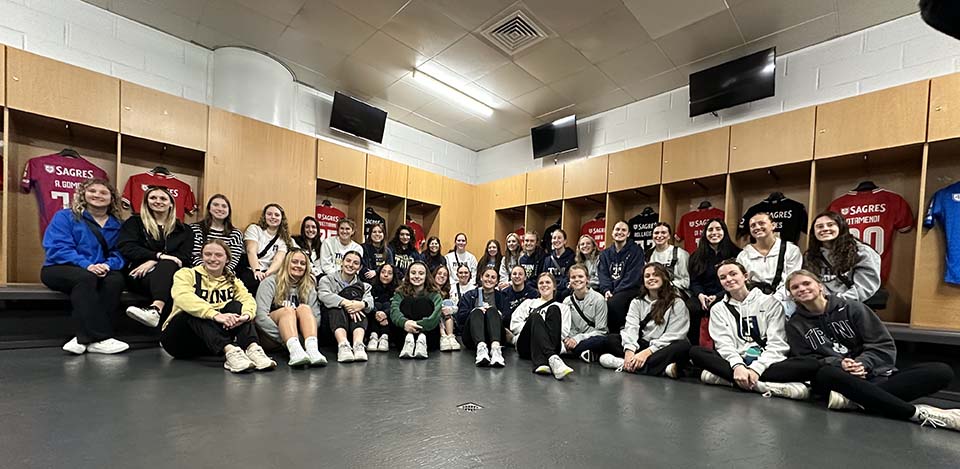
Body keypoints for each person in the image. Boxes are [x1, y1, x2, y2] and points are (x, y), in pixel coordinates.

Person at [785, 270, 960, 430]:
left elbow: (882, 344)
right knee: (825, 373)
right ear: (792, 296)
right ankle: (915, 413)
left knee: (941, 371)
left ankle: (855, 401)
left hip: (874, 377)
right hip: (839, 380)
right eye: (795, 287)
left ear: (820, 286)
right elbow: (807, 360)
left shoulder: (853, 308)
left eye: (807, 283)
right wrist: (840, 364)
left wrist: (862, 364)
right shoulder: (795, 324)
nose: (802, 288)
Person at [688, 260, 817, 400]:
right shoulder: (718, 309)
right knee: (696, 352)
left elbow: (778, 344)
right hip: (736, 362)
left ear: (745, 276)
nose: (729, 279)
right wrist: (738, 366)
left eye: (733, 274)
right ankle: (764, 386)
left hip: (767, 362)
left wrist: (756, 369)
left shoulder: (770, 303)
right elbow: (724, 345)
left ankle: (724, 379)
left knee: (810, 364)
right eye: (723, 277)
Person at [41, 178, 129, 355]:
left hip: (100, 269)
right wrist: (87, 265)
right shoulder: (66, 216)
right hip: (60, 268)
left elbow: (121, 252)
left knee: (116, 280)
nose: (97, 195)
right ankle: (101, 337)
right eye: (92, 191)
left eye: (104, 192)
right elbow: (58, 248)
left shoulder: (117, 225)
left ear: (112, 198)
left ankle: (82, 338)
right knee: (85, 278)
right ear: (83, 194)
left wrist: (106, 265)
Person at [160, 239, 277, 372]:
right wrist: (215, 315)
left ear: (227, 259)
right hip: (178, 341)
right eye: (208, 254)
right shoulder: (187, 274)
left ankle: (253, 348)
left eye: (218, 255)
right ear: (202, 256)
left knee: (236, 306)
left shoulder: (232, 280)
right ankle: (230, 351)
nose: (212, 259)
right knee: (191, 311)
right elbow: (183, 297)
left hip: (209, 342)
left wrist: (246, 315)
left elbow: (247, 299)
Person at [599, 263, 690, 378]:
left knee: (682, 347)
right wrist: (629, 351)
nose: (651, 278)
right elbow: (631, 327)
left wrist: (646, 353)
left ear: (664, 278)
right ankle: (659, 368)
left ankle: (623, 364)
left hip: (662, 347)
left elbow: (674, 335)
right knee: (611, 339)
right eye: (647, 276)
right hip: (643, 344)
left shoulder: (677, 303)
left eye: (656, 275)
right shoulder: (637, 302)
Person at [118, 186, 193, 328]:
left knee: (170, 266)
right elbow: (127, 247)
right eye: (153, 198)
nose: (158, 201)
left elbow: (183, 256)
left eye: (163, 198)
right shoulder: (134, 223)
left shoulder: (184, 229)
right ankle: (161, 320)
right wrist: (157, 256)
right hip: (140, 274)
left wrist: (154, 260)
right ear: (146, 202)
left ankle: (156, 309)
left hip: (172, 274)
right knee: (169, 267)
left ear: (171, 203)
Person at [254, 248, 326, 367]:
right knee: (288, 311)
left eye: (302, 263)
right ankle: (294, 350)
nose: (298, 266)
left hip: (300, 337)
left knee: (304, 308)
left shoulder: (308, 286)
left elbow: (316, 318)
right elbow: (260, 317)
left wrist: (301, 338)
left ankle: (312, 350)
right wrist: (287, 337)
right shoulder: (270, 282)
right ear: (287, 263)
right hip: (271, 337)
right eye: (294, 262)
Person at [803, 211, 881, 303]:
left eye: (830, 225)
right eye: (819, 226)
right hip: (822, 305)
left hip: (852, 304)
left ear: (841, 227)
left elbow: (865, 287)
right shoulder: (810, 256)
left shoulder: (861, 252)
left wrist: (836, 302)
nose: (825, 229)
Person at [509, 273, 574, 380]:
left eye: (548, 282)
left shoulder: (563, 308)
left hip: (553, 344)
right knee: (535, 317)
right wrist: (536, 328)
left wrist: (541, 331)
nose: (544, 285)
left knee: (554, 309)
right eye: (541, 283)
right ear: (538, 287)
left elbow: (563, 332)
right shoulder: (528, 303)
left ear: (554, 286)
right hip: (526, 345)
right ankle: (552, 358)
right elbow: (514, 324)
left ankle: (543, 362)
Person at [687, 219, 741, 347]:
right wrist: (700, 295)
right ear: (705, 233)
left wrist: (717, 296)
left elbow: (736, 281)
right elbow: (694, 281)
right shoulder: (696, 255)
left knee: (718, 307)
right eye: (710, 230)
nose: (714, 233)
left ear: (724, 232)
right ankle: (693, 347)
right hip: (702, 295)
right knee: (691, 308)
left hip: (727, 293)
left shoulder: (736, 253)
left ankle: (720, 348)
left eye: (718, 229)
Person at [736, 212, 802, 308]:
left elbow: (792, 279)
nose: (757, 227)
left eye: (761, 223)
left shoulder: (791, 250)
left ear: (773, 225)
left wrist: (774, 300)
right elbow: (742, 283)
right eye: (753, 225)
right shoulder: (743, 255)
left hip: (784, 302)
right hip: (753, 303)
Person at [317, 250, 374, 363]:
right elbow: (323, 295)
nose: (351, 265)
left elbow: (370, 303)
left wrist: (360, 304)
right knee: (336, 305)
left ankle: (358, 344)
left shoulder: (365, 286)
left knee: (359, 303)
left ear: (360, 267)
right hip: (331, 327)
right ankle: (343, 345)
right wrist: (347, 303)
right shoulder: (327, 279)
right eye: (348, 261)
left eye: (355, 263)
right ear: (342, 262)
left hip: (353, 327)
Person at [456, 266, 510, 367]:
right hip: (472, 338)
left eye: (493, 277)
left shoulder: (502, 297)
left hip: (496, 337)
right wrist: (474, 311)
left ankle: (495, 350)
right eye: (487, 276)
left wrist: (498, 314)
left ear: (497, 281)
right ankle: (481, 349)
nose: (489, 279)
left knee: (492, 310)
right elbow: (460, 317)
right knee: (477, 311)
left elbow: (508, 319)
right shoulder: (469, 295)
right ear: (481, 277)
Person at [598, 221, 644, 334]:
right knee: (597, 301)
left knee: (614, 303)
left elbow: (633, 276)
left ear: (628, 234)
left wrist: (615, 291)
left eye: (623, 230)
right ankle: (600, 331)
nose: (620, 232)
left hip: (630, 288)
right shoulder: (605, 253)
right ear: (612, 233)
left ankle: (616, 334)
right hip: (611, 290)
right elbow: (603, 275)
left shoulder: (636, 251)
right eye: (617, 229)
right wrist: (607, 290)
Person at [390, 261, 442, 359]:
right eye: (413, 273)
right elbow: (394, 311)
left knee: (424, 302)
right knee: (408, 301)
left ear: (426, 276)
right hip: (404, 335)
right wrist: (405, 323)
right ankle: (409, 341)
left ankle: (421, 341)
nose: (417, 276)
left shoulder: (435, 294)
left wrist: (417, 326)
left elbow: (435, 317)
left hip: (428, 336)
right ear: (408, 275)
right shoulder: (400, 292)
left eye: (421, 273)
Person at [240, 203, 292, 295]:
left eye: (277, 215)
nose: (273, 217)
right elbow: (251, 250)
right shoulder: (254, 229)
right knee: (252, 281)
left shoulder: (283, 238)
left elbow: (278, 259)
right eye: (269, 214)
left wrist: (268, 273)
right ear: (264, 216)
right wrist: (257, 270)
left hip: (269, 271)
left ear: (281, 219)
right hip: (251, 269)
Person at [561, 264, 608, 362]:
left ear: (587, 279)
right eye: (573, 277)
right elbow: (565, 327)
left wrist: (578, 338)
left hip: (590, 337)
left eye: (580, 276)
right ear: (569, 281)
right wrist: (567, 339)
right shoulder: (566, 301)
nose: (577, 279)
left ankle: (572, 352)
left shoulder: (599, 299)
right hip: (572, 338)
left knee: (602, 341)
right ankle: (578, 352)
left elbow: (601, 330)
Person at [189, 194, 244, 273]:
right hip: (198, 272)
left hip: (224, 274)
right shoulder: (195, 229)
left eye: (224, 206)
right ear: (209, 208)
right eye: (216, 205)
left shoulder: (236, 234)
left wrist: (220, 273)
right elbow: (194, 256)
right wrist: (208, 271)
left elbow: (233, 259)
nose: (220, 209)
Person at [645, 222, 690, 295]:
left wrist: (666, 285)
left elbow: (686, 281)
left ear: (669, 236)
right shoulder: (647, 255)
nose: (659, 236)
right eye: (656, 233)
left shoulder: (680, 254)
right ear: (652, 236)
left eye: (663, 233)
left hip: (675, 292)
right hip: (654, 291)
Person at [366, 263, 397, 352]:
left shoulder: (398, 289)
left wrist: (385, 314)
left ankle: (384, 337)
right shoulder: (371, 287)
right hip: (373, 316)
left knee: (387, 305)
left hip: (389, 321)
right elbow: (369, 303)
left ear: (393, 275)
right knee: (377, 305)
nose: (386, 275)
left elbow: (395, 305)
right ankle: (373, 336)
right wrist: (377, 313)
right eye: (383, 272)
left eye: (389, 273)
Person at [541, 228, 575, 300]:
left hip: (565, 293)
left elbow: (569, 277)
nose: (556, 240)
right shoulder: (547, 259)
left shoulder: (572, 257)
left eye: (559, 238)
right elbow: (545, 276)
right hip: (550, 292)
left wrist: (558, 286)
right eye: (554, 238)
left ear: (565, 241)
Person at [433, 265, 461, 352]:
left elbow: (456, 308)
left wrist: (449, 310)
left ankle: (450, 337)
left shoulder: (448, 292)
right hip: (433, 320)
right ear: (434, 275)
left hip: (446, 318)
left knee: (447, 303)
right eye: (439, 273)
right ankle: (443, 336)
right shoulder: (428, 290)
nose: (442, 276)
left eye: (445, 275)